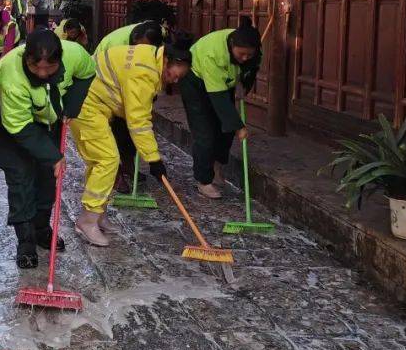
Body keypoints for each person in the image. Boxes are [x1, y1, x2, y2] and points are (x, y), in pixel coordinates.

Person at [70, 40, 192, 246]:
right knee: (108, 159)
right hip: (86, 104)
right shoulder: (144, 73)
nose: (176, 80)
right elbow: (138, 121)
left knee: (100, 161)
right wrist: (153, 159)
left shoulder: (150, 56)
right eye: (175, 73)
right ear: (167, 60)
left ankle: (98, 214)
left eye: (180, 77)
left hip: (92, 104)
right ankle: (87, 220)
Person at [0, 29, 96, 268]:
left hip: (49, 118)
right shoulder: (11, 75)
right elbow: (18, 125)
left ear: (60, 60)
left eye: (49, 68)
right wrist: (53, 155)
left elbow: (87, 73)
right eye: (34, 67)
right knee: (21, 178)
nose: (41, 73)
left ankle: (41, 229)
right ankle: (26, 241)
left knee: (47, 177)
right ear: (25, 58)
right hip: (15, 125)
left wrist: (73, 104)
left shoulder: (75, 54)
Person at [179, 17, 262, 198]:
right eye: (241, 54)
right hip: (195, 82)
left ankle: (216, 169)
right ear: (232, 45)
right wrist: (239, 126)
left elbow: (251, 68)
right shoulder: (213, 54)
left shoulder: (249, 47)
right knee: (205, 132)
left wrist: (244, 84)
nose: (245, 58)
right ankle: (203, 180)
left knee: (225, 131)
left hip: (223, 83)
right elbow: (219, 100)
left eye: (249, 55)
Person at [94, 20, 167, 194]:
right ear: (133, 38)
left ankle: (128, 165)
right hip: (105, 90)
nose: (139, 50)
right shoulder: (115, 44)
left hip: (130, 89)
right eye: (137, 45)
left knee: (130, 130)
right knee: (110, 137)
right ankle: (115, 173)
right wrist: (153, 159)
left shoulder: (156, 51)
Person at [94, 20, 165, 56]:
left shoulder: (158, 31)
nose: (143, 50)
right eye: (141, 46)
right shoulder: (115, 45)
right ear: (134, 38)